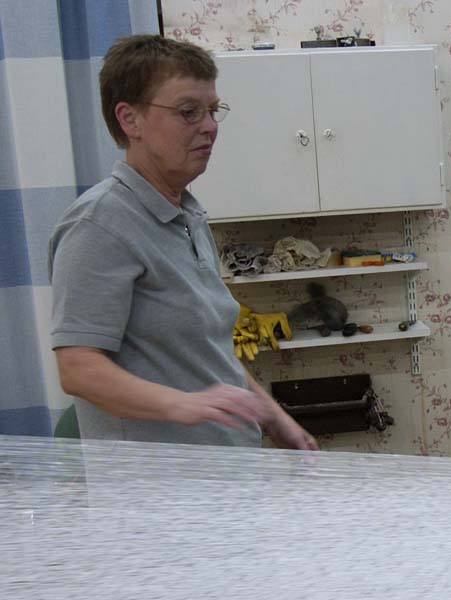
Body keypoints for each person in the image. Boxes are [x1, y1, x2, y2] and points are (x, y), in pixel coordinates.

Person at [48, 34, 316, 450]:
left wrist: (273, 416)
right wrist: (184, 405)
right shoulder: (98, 224)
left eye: (212, 110)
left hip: (224, 471)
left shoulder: (188, 215)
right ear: (130, 120)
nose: (209, 126)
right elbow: (79, 370)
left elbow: (205, 355)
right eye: (188, 112)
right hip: (155, 483)